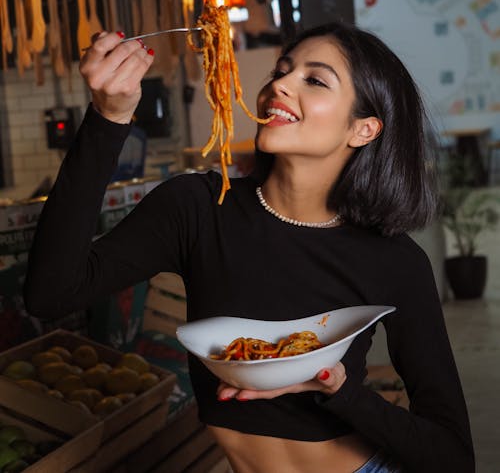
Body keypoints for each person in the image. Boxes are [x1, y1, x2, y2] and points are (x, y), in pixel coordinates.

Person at [24, 24, 474, 473]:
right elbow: (52, 293)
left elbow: (452, 455)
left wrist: (343, 393)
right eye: (282, 70)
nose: (279, 83)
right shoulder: (198, 209)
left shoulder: (393, 260)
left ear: (363, 129)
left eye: (314, 80)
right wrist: (108, 117)